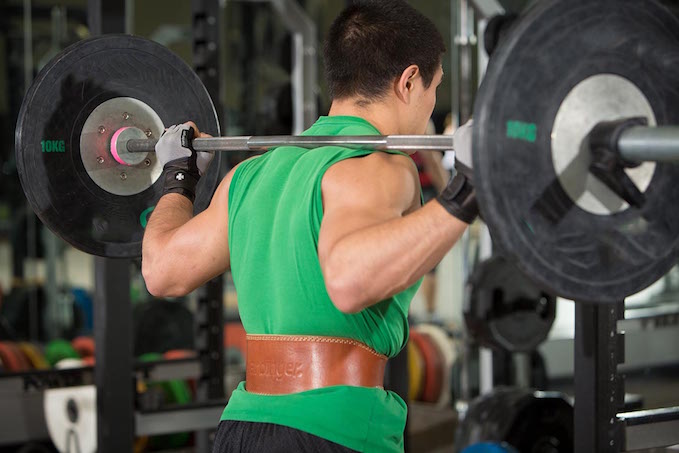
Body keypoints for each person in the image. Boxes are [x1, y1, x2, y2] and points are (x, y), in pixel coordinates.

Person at [142, 1, 477, 452]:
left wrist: (178, 179)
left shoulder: (251, 176)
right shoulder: (380, 167)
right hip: (335, 430)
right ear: (409, 81)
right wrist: (468, 192)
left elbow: (161, 271)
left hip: (243, 429)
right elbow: (349, 282)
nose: (432, 106)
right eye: (434, 88)